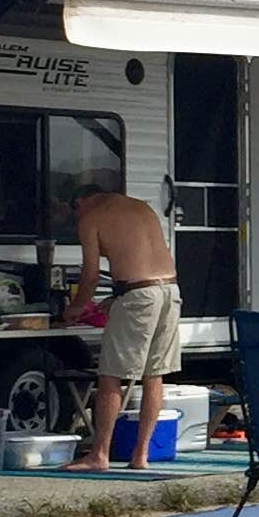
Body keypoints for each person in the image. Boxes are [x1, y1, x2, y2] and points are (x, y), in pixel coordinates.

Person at [59, 185, 181, 472]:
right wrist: (117, 297)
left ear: (81, 201)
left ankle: (99, 454)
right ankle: (141, 455)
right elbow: (143, 261)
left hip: (139, 297)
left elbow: (90, 274)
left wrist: (76, 307)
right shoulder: (142, 207)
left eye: (75, 211)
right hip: (169, 290)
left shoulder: (91, 217)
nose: (76, 218)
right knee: (153, 374)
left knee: (111, 375)